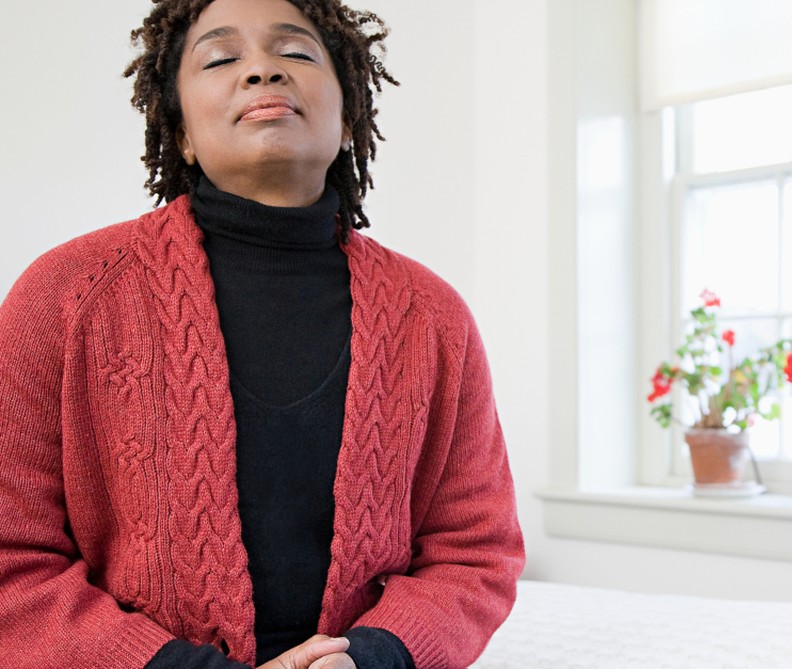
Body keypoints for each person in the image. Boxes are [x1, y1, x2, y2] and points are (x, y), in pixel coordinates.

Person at [0, 0, 524, 667]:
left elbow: (476, 549)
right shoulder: (64, 297)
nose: (261, 71)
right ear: (181, 132)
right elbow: (13, 564)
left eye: (297, 52)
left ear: (348, 117)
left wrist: (372, 656)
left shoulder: (434, 317)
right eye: (221, 58)